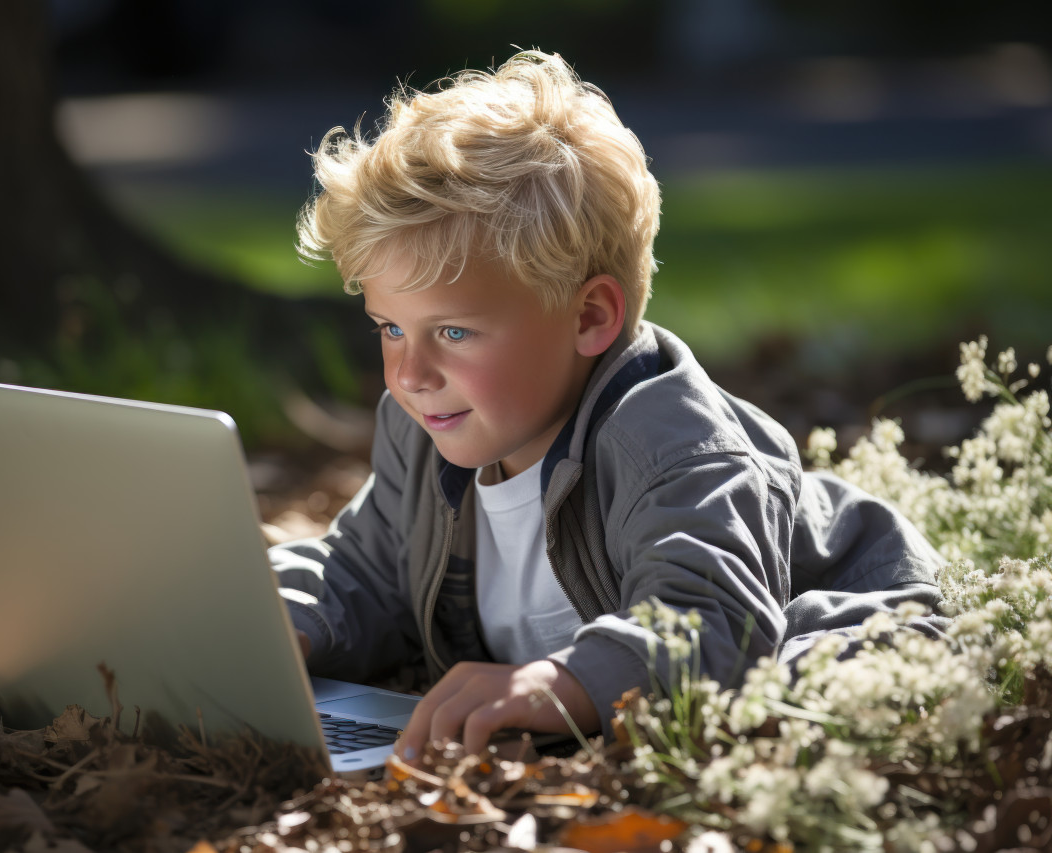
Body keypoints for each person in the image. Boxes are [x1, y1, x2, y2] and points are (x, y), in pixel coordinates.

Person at [270, 49, 944, 760]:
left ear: (590, 317)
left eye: (455, 331)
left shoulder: (671, 441)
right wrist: (281, 618)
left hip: (841, 605)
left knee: (787, 694)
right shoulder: (425, 434)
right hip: (689, 644)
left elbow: (707, 618)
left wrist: (559, 682)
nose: (411, 374)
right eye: (391, 329)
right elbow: (362, 573)